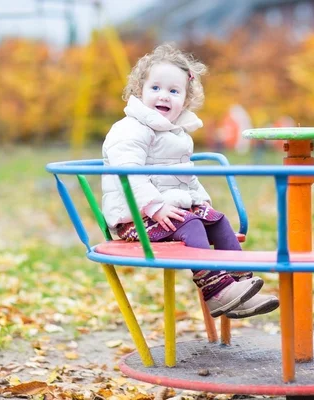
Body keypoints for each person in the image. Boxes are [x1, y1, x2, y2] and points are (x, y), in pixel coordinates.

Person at [101, 44, 279, 319]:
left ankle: (241, 285)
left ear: (185, 99)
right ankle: (217, 291)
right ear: (140, 91)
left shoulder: (178, 134)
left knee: (216, 219)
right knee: (192, 223)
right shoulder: (130, 129)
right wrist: (154, 206)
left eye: (174, 91)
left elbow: (187, 176)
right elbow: (129, 173)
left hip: (170, 209)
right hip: (135, 216)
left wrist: (201, 201)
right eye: (156, 88)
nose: (164, 96)